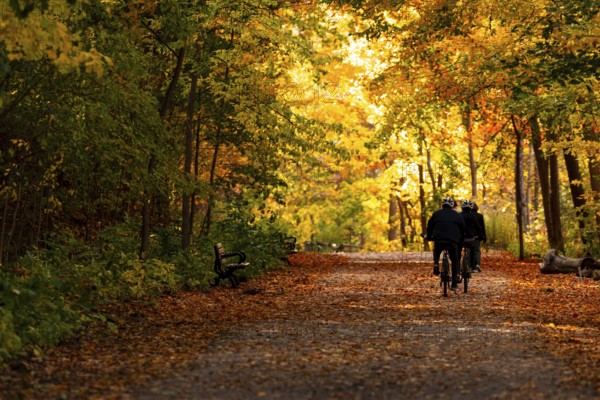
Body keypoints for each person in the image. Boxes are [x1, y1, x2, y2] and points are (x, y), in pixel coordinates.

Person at [426, 197, 465, 292]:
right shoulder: (457, 215)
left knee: (437, 249)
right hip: (452, 241)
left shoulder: (436, 214)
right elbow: (463, 228)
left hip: (439, 239)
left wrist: (429, 236)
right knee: (455, 260)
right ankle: (454, 284)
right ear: (452, 205)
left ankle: (436, 263)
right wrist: (461, 238)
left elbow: (430, 226)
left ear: (442, 205)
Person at [459, 199, 483, 273]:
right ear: (470, 208)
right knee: (473, 250)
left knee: (457, 250)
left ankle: (458, 266)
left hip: (460, 238)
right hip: (470, 237)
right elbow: (478, 227)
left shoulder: (459, 215)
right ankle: (473, 267)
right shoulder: (473, 216)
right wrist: (481, 236)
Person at [472, 202, 486, 272]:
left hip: (469, 236)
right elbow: (482, 227)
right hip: (477, 236)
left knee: (469, 250)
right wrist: (484, 236)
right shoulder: (480, 216)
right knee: (477, 250)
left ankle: (469, 264)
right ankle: (477, 264)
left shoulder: (469, 215)